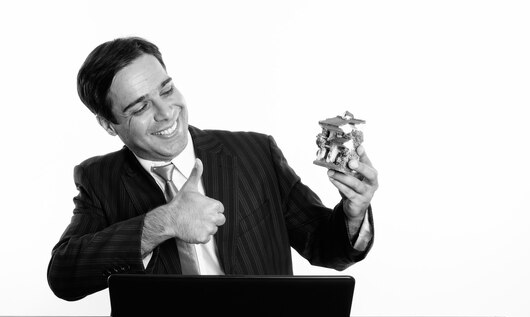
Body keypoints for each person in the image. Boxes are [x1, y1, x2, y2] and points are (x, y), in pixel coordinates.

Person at [47, 37, 378, 301]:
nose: (166, 112)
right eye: (141, 106)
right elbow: (64, 276)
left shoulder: (255, 153)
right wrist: (162, 223)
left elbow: (324, 247)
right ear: (108, 124)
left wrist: (353, 213)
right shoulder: (99, 179)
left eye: (166, 90)